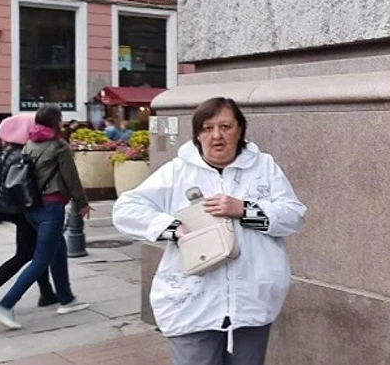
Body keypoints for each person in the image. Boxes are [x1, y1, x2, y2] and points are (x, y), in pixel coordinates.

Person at [113, 97, 307, 365]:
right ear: (197, 135)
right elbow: (125, 210)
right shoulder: (178, 171)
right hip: (192, 302)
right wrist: (173, 229)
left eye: (226, 126)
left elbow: (293, 216)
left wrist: (244, 209)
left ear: (240, 130)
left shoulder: (263, 167)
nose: (217, 136)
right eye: (207, 128)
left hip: (251, 299)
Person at [0, 105, 91, 329]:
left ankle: (65, 298)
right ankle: (5, 305)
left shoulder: (29, 144)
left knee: (58, 249)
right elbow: (71, 178)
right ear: (56, 121)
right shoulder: (58, 146)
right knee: (41, 259)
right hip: (51, 208)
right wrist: (82, 203)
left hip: (32, 207)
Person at [0, 114, 58, 318]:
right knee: (24, 255)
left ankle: (46, 292)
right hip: (24, 209)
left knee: (37, 252)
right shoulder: (23, 154)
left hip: (14, 209)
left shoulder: (9, 151)